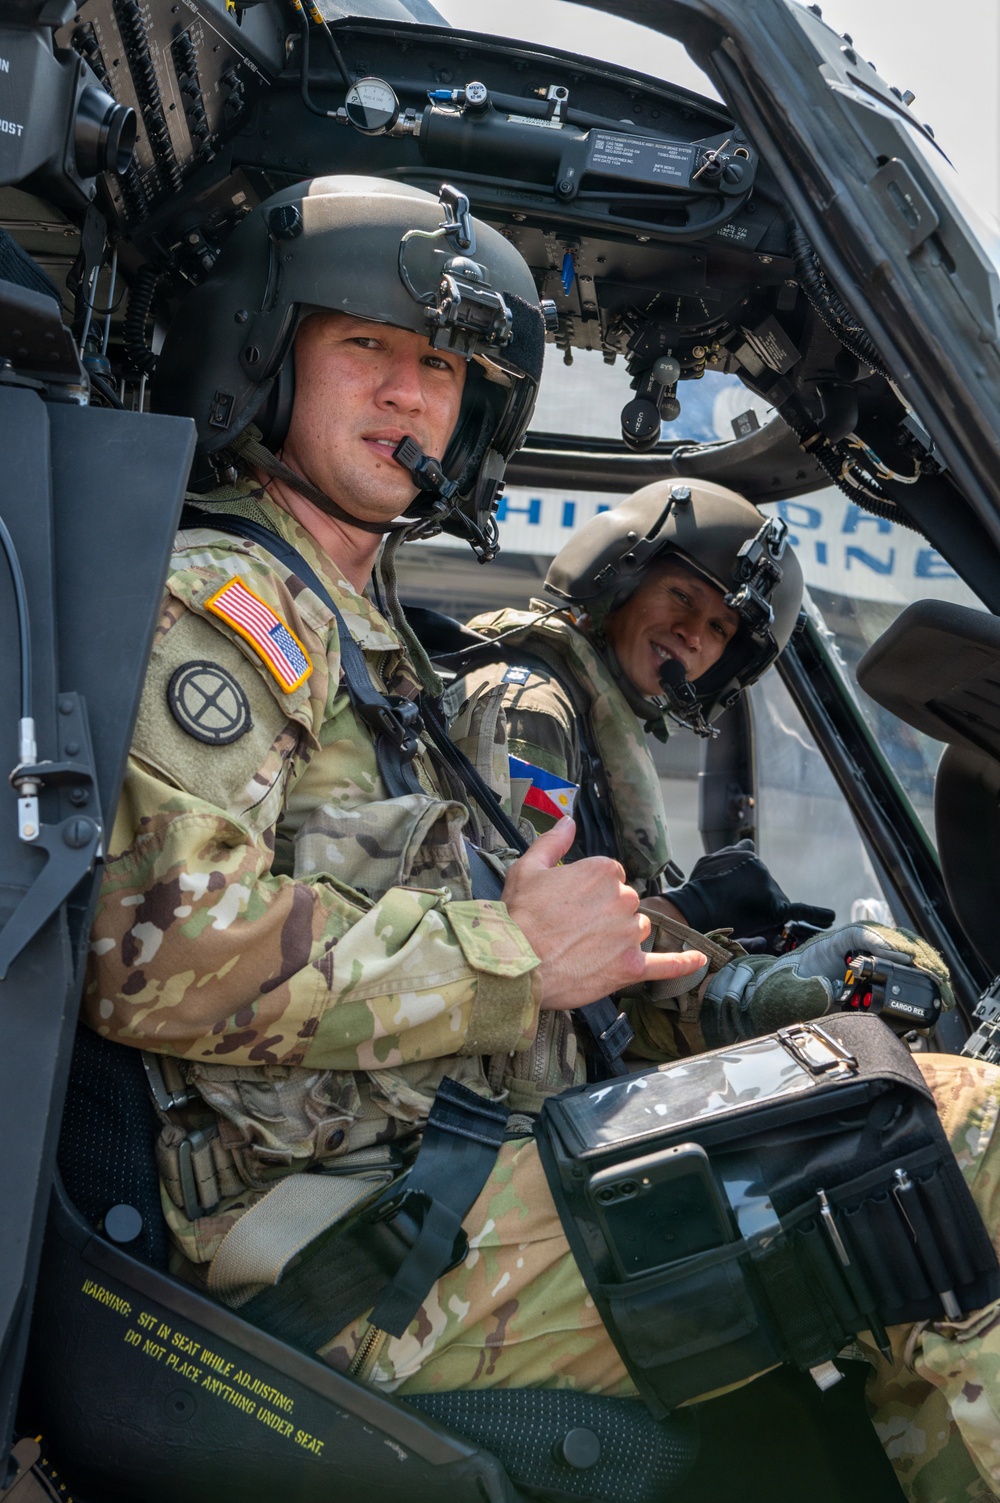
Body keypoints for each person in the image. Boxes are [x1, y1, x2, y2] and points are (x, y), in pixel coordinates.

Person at [79, 174, 1000, 1501]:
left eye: (442, 365)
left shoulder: (377, 646)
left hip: (444, 1172)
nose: (409, 395)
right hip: (345, 1253)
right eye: (368, 347)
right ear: (268, 350)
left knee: (877, 1086)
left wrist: (734, 1000)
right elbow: (155, 951)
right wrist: (513, 952)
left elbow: (546, 944)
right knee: (953, 1144)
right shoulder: (222, 606)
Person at [446, 479, 834, 1056]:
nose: (694, 634)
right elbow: (530, 947)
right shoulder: (530, 709)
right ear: (618, 579)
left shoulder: (595, 718)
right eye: (682, 596)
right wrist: (688, 906)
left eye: (722, 629)